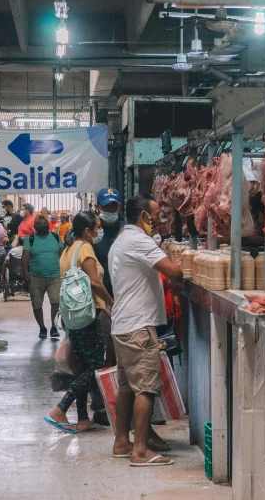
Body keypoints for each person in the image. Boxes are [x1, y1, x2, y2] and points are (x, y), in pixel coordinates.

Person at [109, 194, 183, 466]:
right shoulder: (139, 240)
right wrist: (184, 270)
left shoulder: (122, 240)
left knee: (128, 388)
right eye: (154, 216)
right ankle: (140, 451)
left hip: (124, 325)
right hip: (138, 327)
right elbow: (173, 272)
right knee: (146, 389)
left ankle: (121, 442)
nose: (158, 221)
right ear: (143, 217)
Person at [44, 211, 115, 433]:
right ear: (87, 231)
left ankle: (83, 419)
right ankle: (60, 408)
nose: (99, 232)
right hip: (87, 314)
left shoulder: (67, 251)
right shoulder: (84, 248)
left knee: (83, 365)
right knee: (93, 366)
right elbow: (95, 282)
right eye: (97, 228)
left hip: (72, 316)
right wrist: (113, 303)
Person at [94, 187, 126, 367]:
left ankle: (113, 381)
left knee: (117, 342)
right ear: (98, 206)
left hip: (121, 294)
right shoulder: (93, 229)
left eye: (114, 207)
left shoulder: (124, 229)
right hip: (100, 297)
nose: (111, 211)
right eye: (107, 207)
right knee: (103, 342)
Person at [22, 214, 63, 338]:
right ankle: (42, 327)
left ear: (48, 226)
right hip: (35, 276)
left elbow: (63, 254)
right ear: (35, 227)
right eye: (39, 225)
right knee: (36, 304)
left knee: (56, 302)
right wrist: (25, 273)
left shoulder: (56, 237)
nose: (42, 227)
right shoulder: (30, 239)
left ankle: (54, 327)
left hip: (55, 276)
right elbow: (25, 257)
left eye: (44, 225)